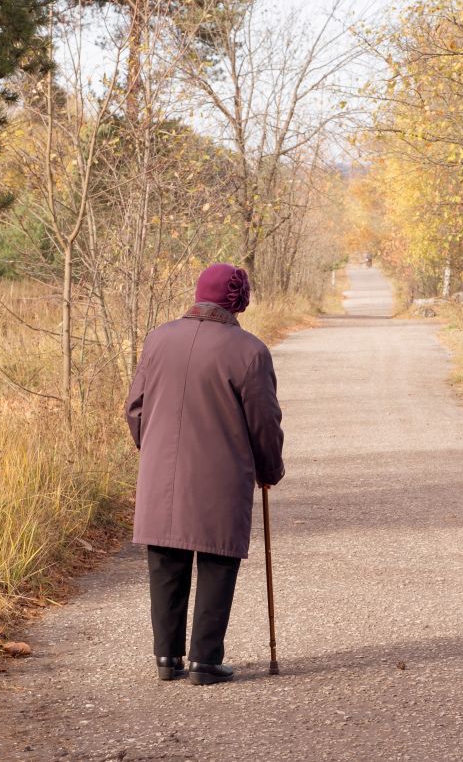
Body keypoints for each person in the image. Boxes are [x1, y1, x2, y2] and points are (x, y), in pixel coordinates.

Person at [125, 263, 286, 686]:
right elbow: (264, 422)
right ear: (238, 301)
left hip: (160, 475)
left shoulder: (158, 339)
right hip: (221, 475)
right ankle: (204, 661)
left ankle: (166, 657)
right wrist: (270, 469)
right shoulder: (249, 351)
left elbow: (135, 408)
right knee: (216, 560)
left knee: (166, 559)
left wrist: (154, 449)